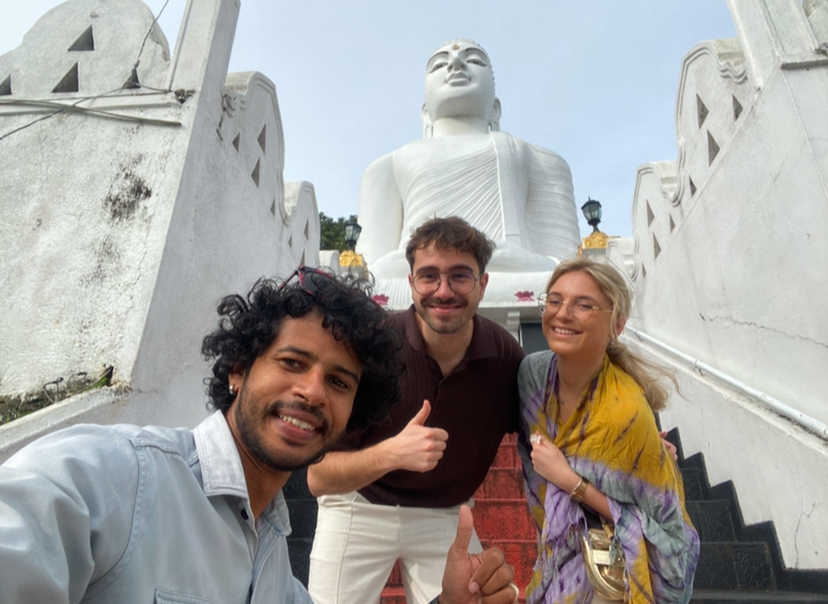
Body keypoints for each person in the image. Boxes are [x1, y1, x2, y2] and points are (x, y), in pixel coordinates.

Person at [0, 267, 517, 604]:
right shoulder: (107, 476)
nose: (314, 392)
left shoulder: (273, 570)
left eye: (339, 382)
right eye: (293, 362)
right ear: (238, 369)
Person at [307, 218, 526, 604]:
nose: (443, 291)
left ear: (483, 285)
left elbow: (545, 425)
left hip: (444, 515)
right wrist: (393, 453)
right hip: (360, 504)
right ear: (410, 284)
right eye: (428, 277)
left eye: (460, 276)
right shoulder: (375, 348)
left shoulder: (504, 355)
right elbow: (318, 477)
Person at [517, 258, 700, 604]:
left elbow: (669, 536)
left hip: (609, 573)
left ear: (617, 324)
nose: (562, 313)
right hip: (554, 558)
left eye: (583, 305)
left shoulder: (625, 413)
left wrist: (572, 481)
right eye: (554, 300)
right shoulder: (532, 377)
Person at [355, 39, 580, 307]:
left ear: (495, 108)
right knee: (371, 288)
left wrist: (509, 257)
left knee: (562, 285)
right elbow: (368, 269)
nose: (456, 63)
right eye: (439, 64)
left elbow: (567, 264)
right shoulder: (388, 165)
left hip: (515, 271)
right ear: (425, 114)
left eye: (473, 60)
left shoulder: (536, 158)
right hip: (412, 275)